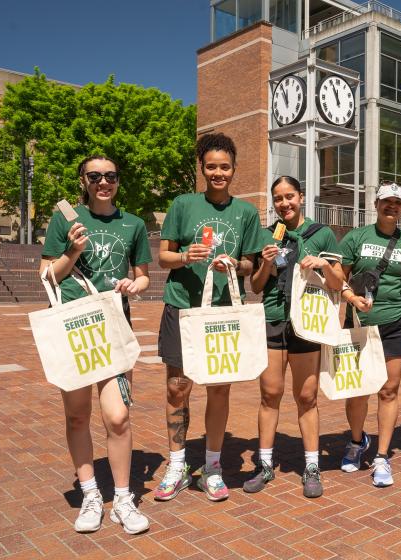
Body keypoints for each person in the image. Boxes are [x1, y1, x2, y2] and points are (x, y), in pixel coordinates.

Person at [40, 155, 151, 534]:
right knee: (77, 415)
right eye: (95, 176)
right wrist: (71, 252)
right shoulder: (65, 220)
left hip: (114, 328)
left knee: (118, 417)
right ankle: (90, 494)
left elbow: (143, 277)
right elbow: (47, 275)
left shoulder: (133, 224)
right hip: (75, 328)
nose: (103, 182)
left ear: (118, 180)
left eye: (111, 176)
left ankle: (122, 498)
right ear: (83, 180)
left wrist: (135, 285)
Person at [155, 133, 263, 502]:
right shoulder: (183, 204)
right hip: (182, 307)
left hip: (223, 313)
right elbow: (163, 257)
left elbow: (252, 262)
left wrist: (236, 263)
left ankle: (213, 466)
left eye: (225, 166)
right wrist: (188, 256)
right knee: (177, 388)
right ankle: (178, 463)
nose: (219, 173)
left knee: (219, 388)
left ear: (234, 169)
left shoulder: (246, 212)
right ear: (201, 168)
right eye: (212, 166)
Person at [243, 176, 343, 498]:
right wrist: (266, 263)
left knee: (306, 397)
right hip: (273, 320)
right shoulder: (268, 235)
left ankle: (311, 466)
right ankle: (266, 464)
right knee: (269, 394)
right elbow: (257, 287)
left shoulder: (322, 233)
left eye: (290, 197)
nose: (284, 204)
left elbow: (339, 282)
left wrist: (323, 264)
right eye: (278, 199)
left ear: (301, 197)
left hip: (306, 323)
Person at [337, 183, 401, 487]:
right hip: (361, 323)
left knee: (388, 389)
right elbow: (340, 274)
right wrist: (350, 298)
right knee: (357, 389)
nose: (392, 207)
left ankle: (381, 456)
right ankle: (356, 441)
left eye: (398, 203)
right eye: (386, 202)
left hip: (398, 322)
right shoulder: (357, 236)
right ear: (376, 205)